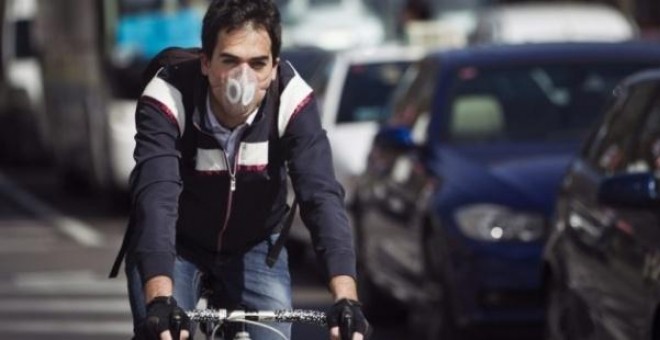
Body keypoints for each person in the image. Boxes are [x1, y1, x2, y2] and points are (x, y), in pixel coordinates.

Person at [110, 0, 371, 339]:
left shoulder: (292, 100)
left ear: (275, 68)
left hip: (256, 243)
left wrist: (346, 298)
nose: (242, 77)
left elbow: (321, 194)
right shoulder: (168, 96)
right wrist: (160, 298)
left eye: (258, 63)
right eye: (230, 61)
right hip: (177, 242)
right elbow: (156, 196)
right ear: (205, 62)